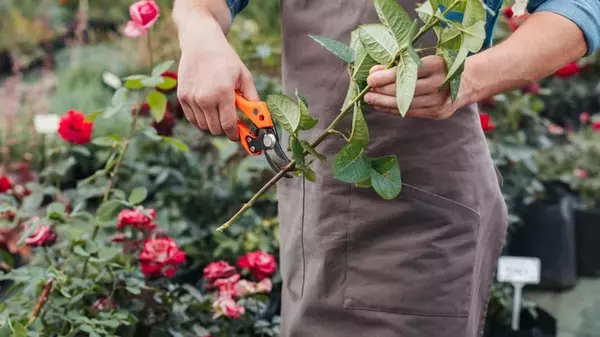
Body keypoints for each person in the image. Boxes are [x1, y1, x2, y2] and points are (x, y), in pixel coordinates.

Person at [172, 0, 600, 336]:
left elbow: (580, 7)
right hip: (317, 206)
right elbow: (204, 5)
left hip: (420, 217)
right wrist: (200, 33)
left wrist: (469, 77)